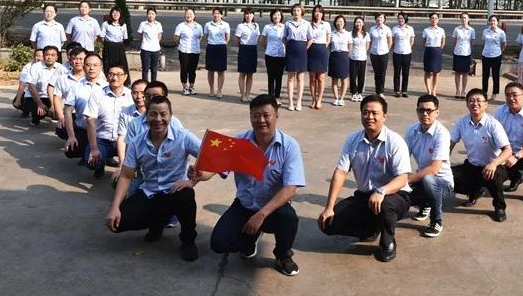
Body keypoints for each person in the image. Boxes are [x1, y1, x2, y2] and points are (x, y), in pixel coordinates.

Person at [191, 95, 306, 276]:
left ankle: (283, 256)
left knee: (288, 218)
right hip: (244, 205)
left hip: (273, 207)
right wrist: (200, 174)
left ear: (277, 116)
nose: (261, 120)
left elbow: (290, 189)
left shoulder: (289, 146)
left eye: (266, 115)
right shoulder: (240, 143)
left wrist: (261, 214)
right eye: (256, 115)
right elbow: (215, 170)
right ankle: (250, 240)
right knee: (219, 243)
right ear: (250, 117)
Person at [105, 96, 200, 262]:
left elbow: (209, 158)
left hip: (175, 191)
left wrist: (191, 182)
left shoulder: (184, 137)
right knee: (117, 223)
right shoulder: (137, 143)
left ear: (171, 115)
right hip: (149, 191)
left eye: (163, 114)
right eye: (153, 114)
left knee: (186, 195)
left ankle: (188, 240)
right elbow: (126, 175)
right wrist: (115, 207)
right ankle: (157, 223)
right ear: (146, 116)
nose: (158, 119)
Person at [318, 95, 411, 262]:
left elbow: (403, 178)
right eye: (365, 113)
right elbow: (341, 172)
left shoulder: (395, 142)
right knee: (327, 223)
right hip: (364, 196)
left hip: (395, 196)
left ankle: (388, 242)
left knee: (385, 204)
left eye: (375, 113)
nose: (370, 117)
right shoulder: (353, 140)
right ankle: (371, 229)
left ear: (384, 116)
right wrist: (329, 207)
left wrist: (382, 191)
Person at [449, 89, 512, 222]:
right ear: (467, 104)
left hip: (493, 167)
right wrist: (442, 163)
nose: (475, 104)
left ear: (486, 104)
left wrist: (493, 164)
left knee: (493, 176)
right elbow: (450, 144)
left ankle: (499, 207)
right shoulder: (462, 122)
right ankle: (475, 191)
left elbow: (508, 150)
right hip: (472, 165)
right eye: (471, 101)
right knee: (447, 177)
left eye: (479, 101)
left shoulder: (493, 124)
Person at [404, 95, 453, 237]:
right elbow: (402, 157)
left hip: (442, 183)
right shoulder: (412, 130)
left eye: (429, 110)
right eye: (421, 110)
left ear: (437, 112)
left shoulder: (442, 134)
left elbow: (434, 169)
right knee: (398, 187)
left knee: (428, 180)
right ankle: (425, 204)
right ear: (417, 111)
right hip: (422, 179)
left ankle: (436, 221)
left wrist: (407, 180)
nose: (425, 114)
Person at [84, 66, 133, 178]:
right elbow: (90, 121)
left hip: (126, 140)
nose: (115, 78)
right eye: (111, 74)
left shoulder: (131, 96)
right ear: (106, 77)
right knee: (92, 161)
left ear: (125, 77)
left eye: (119, 74)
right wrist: (94, 148)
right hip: (102, 140)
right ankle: (100, 165)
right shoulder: (97, 94)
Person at [64, 53, 108, 161]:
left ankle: (107, 156)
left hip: (102, 132)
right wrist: (71, 136)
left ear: (100, 67)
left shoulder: (107, 87)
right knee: (71, 150)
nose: (91, 68)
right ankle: (86, 153)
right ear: (83, 67)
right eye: (88, 65)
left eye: (95, 65)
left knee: (99, 159)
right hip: (82, 129)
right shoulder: (76, 87)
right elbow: (68, 111)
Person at [113, 78, 149, 186]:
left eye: (142, 93)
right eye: (135, 93)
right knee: (117, 182)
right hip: (134, 158)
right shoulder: (125, 112)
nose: (139, 96)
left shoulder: (157, 112)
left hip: (151, 158)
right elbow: (121, 138)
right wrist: (122, 165)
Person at [49, 47, 86, 141]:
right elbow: (57, 98)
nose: (78, 62)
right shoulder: (63, 78)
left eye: (81, 59)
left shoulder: (92, 77)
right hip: (69, 113)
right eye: (74, 59)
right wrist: (61, 117)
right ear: (70, 60)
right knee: (62, 129)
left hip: (87, 113)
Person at [24, 46, 64, 126]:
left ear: (57, 57)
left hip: (54, 97)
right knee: (38, 111)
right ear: (43, 56)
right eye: (47, 55)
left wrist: (55, 105)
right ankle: (35, 118)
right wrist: (40, 104)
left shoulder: (60, 67)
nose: (50, 57)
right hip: (37, 97)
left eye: (53, 55)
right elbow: (31, 86)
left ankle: (56, 116)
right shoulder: (35, 67)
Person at [283, 3, 312, 111]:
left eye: (298, 10)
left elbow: (310, 38)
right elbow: (284, 38)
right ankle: (290, 102)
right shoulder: (288, 23)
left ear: (302, 12)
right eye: (294, 10)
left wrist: (305, 48)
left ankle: (298, 102)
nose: (296, 12)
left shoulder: (307, 24)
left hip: (302, 50)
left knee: (300, 77)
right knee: (290, 77)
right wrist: (289, 46)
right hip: (291, 49)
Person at [174, 8, 203, 95]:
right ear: (184, 15)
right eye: (187, 14)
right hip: (184, 50)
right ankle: (185, 87)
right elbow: (176, 38)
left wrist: (195, 44)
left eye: (191, 14)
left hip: (195, 51)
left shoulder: (198, 26)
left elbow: (200, 37)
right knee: (184, 69)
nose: (189, 15)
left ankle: (191, 87)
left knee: (192, 70)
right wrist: (181, 45)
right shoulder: (181, 26)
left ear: (194, 15)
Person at [203, 7, 231, 98]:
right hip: (211, 47)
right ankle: (211, 89)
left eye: (218, 13)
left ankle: (219, 90)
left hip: (221, 47)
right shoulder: (208, 24)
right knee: (210, 70)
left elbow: (227, 37)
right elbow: (205, 37)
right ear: (212, 14)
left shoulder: (225, 25)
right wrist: (210, 43)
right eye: (215, 13)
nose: (216, 15)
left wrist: (224, 43)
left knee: (221, 71)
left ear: (221, 15)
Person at [307, 5, 331, 109]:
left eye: (320, 12)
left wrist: (324, 47)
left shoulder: (326, 24)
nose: (318, 13)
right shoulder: (309, 25)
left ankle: (319, 100)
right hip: (312, 50)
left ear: (322, 14)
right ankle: (313, 99)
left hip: (322, 51)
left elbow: (328, 39)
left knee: (321, 77)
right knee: (312, 77)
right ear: (313, 13)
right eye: (316, 11)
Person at [261, 9, 286, 103]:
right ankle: (270, 98)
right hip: (270, 55)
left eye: (278, 15)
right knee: (271, 77)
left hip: (281, 55)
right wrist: (268, 48)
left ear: (281, 16)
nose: (276, 17)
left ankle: (277, 97)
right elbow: (262, 40)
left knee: (279, 77)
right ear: (271, 16)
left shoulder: (285, 27)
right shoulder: (267, 27)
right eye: (274, 15)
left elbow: (287, 40)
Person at [236, 7, 260, 103]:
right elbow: (237, 40)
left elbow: (258, 37)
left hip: (253, 50)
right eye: (246, 14)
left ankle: (248, 94)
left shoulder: (256, 25)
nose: (248, 16)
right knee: (242, 73)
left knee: (250, 74)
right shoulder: (241, 26)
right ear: (244, 15)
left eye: (250, 14)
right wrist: (242, 47)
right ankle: (242, 95)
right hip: (244, 49)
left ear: (253, 15)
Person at [480, 15, 506, 101]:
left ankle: (494, 93)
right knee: (485, 75)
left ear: (497, 22)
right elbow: (484, 42)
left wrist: (500, 51)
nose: (492, 22)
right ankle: (484, 92)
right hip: (486, 55)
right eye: (491, 20)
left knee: (495, 75)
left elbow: (504, 44)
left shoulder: (501, 32)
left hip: (496, 56)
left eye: (494, 21)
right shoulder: (485, 31)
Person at [328, 15, 352, 106]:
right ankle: (336, 98)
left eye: (341, 21)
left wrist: (347, 54)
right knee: (334, 79)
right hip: (334, 56)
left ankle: (342, 98)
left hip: (344, 56)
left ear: (344, 23)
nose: (339, 23)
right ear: (335, 23)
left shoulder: (348, 34)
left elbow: (350, 45)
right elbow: (330, 45)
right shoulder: (332, 33)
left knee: (344, 79)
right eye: (338, 21)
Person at [451, 13, 475, 99]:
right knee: (457, 72)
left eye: (465, 18)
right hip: (457, 53)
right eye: (462, 18)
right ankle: (457, 90)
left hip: (467, 53)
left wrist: (467, 49)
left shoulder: (472, 30)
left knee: (465, 73)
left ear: (468, 19)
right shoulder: (456, 29)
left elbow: (471, 42)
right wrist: (458, 48)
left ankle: (463, 91)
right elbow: (454, 41)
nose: (463, 20)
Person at [13, 49, 43, 117]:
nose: (39, 58)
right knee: (20, 100)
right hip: (31, 93)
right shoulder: (27, 67)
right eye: (37, 56)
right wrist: (18, 99)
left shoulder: (50, 67)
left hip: (44, 94)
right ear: (34, 57)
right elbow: (22, 84)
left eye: (41, 56)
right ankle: (26, 110)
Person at [391, 12, 415, 98]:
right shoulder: (394, 28)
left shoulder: (410, 28)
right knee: (397, 72)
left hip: (407, 53)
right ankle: (396, 90)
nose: (400, 20)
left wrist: (407, 48)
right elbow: (392, 41)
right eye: (399, 18)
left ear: (405, 19)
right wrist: (396, 48)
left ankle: (404, 90)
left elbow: (412, 41)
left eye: (402, 18)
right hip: (397, 53)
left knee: (406, 73)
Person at [100, 6, 129, 77]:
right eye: (114, 12)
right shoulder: (105, 24)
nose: (115, 14)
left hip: (119, 48)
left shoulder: (123, 25)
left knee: (121, 66)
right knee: (107, 66)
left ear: (120, 14)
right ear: (111, 14)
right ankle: (107, 80)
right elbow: (102, 37)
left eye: (117, 12)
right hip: (108, 47)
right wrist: (108, 44)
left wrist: (117, 44)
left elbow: (124, 38)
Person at [368, 13, 392, 97]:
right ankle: (377, 90)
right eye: (378, 17)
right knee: (376, 73)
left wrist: (387, 50)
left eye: (381, 17)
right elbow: (370, 40)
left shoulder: (387, 29)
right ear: (375, 19)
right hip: (374, 53)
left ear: (384, 19)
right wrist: (369, 50)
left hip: (383, 54)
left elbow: (390, 41)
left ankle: (381, 91)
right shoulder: (372, 29)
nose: (379, 19)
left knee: (382, 73)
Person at [422, 12, 446, 96]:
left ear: (438, 20)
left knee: (436, 72)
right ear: (429, 19)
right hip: (429, 51)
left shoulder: (441, 30)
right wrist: (428, 49)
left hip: (437, 51)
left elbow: (443, 42)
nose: (434, 20)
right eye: (432, 18)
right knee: (428, 72)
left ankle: (434, 90)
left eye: (435, 18)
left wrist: (439, 50)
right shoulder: (426, 30)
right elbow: (423, 42)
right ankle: (428, 90)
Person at [137, 7, 163, 82]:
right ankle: (145, 84)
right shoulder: (143, 24)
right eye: (149, 14)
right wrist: (145, 42)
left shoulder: (158, 24)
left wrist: (155, 43)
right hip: (145, 49)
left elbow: (159, 36)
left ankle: (153, 84)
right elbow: (139, 35)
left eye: (152, 14)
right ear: (147, 14)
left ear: (155, 15)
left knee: (154, 69)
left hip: (155, 49)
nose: (151, 15)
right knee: (145, 69)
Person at [348, 17, 371, 102]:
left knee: (361, 77)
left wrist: (362, 53)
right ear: (354, 23)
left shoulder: (366, 34)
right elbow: (349, 45)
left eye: (360, 22)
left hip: (362, 58)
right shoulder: (350, 34)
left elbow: (367, 46)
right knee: (353, 76)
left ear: (363, 24)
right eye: (357, 22)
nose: (358, 24)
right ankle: (353, 93)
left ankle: (360, 93)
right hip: (353, 58)